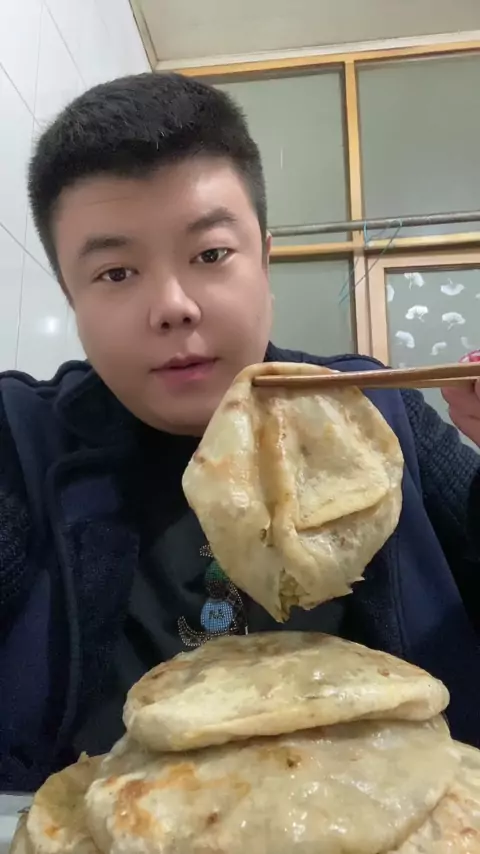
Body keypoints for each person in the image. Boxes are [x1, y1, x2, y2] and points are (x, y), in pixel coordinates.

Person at [1, 72, 480, 792]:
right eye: (117, 272)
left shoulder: (378, 416)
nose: (173, 306)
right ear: (72, 297)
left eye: (210, 254)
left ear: (265, 256)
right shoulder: (22, 442)